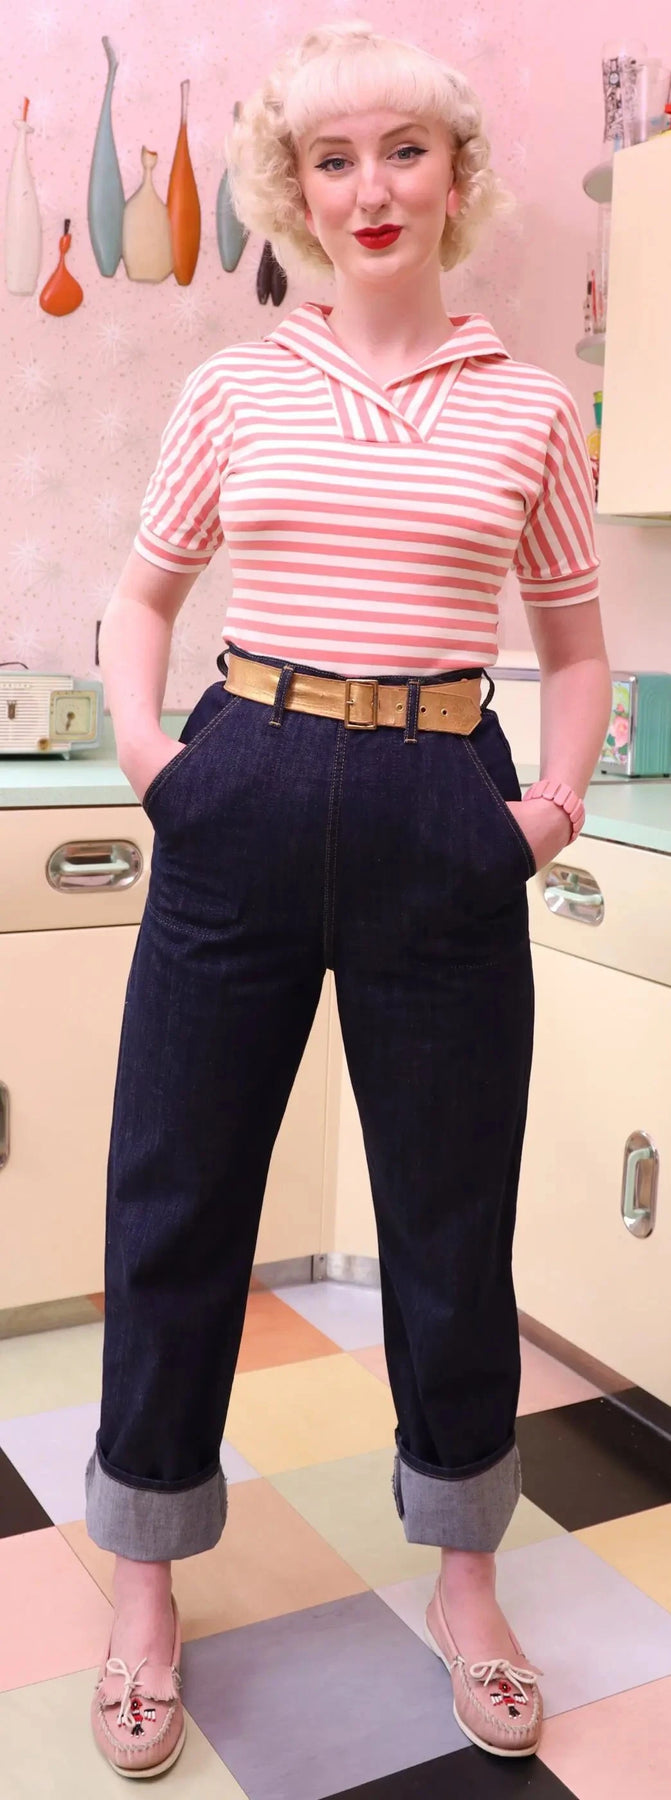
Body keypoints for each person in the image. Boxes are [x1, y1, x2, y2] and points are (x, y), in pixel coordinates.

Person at [87, 19, 612, 1777]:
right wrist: (155, 759)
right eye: (331, 159)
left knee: (450, 1213)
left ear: (455, 176)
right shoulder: (235, 389)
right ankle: (145, 1585)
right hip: (241, 780)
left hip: (443, 805)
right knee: (177, 1200)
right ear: (292, 191)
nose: (369, 186)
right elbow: (146, 593)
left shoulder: (529, 410)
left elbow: (576, 644)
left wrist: (545, 813)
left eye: (403, 150)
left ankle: (466, 1580)